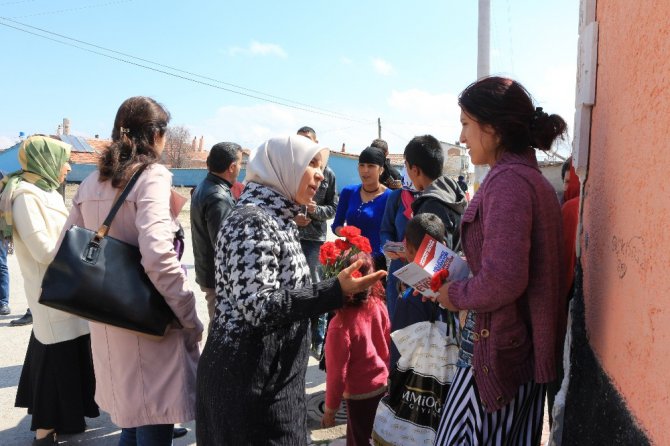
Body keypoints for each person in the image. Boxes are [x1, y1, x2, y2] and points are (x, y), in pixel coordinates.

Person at [196, 135, 385, 445]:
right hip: (248, 385)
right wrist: (333, 291)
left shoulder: (278, 216)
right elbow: (260, 306)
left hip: (272, 378)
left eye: (321, 166)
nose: (321, 174)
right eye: (311, 164)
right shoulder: (252, 221)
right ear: (282, 168)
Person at [432, 76, 566, 445]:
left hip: (496, 358)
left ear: (491, 128)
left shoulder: (509, 182)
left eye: (465, 124)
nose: (461, 137)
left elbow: (503, 279)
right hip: (511, 352)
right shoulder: (526, 178)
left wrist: (453, 295)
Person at [64, 97, 203, 446]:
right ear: (155, 135)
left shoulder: (91, 182)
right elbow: (157, 254)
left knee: (132, 418)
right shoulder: (151, 176)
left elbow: (64, 247)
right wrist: (188, 312)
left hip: (106, 315)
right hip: (149, 321)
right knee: (152, 419)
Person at [1, 135, 99, 444]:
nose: (68, 167)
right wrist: (84, 249)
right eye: (63, 160)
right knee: (55, 363)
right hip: (51, 294)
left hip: (68, 289)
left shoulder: (47, 192)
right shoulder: (25, 197)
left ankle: (67, 420)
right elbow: (43, 250)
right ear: (46, 161)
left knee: (68, 358)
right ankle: (44, 432)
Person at [321, 252, 390, 446]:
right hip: (383, 385)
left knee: (359, 440)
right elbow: (387, 341)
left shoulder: (340, 324)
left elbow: (336, 374)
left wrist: (330, 410)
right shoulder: (378, 306)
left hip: (360, 395)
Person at [294, 126, 339, 358]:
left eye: (308, 142)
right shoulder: (289, 168)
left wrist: (315, 211)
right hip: (290, 236)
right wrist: (294, 217)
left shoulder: (327, 173)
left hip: (314, 239)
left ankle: (317, 340)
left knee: (315, 287)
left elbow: (332, 208)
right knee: (292, 288)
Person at [389, 213, 451, 370]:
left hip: (420, 384)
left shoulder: (409, 299)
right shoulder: (460, 286)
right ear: (444, 243)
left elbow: (399, 353)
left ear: (408, 250)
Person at [190, 141, 243, 321]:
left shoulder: (207, 186)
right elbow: (223, 245)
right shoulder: (217, 196)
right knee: (220, 330)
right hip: (217, 277)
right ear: (232, 167)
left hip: (209, 272)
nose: (240, 169)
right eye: (240, 164)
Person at [332, 146, 392, 272]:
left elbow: (394, 234)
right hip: (349, 260)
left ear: (381, 170)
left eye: (371, 166)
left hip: (376, 262)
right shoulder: (348, 192)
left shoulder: (390, 197)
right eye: (362, 165)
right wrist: (348, 233)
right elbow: (336, 225)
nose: (365, 170)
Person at [404, 134, 467, 250]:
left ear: (415, 170)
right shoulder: (451, 191)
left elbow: (435, 256)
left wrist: (408, 253)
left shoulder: (431, 205)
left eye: (406, 167)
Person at [380, 168, 420, 319]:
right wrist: (388, 246)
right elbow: (385, 230)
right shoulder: (396, 197)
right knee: (397, 327)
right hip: (398, 270)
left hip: (422, 274)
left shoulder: (433, 199)